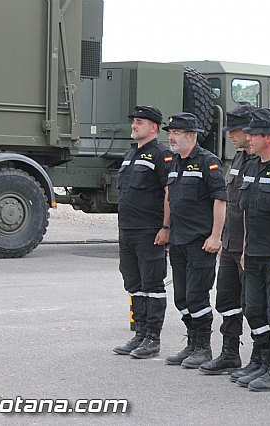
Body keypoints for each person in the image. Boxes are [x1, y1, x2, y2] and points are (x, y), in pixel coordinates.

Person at [163, 112, 227, 369]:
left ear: (192, 135)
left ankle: (203, 347)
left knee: (197, 295)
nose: (171, 137)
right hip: (178, 240)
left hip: (201, 241)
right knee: (181, 297)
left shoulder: (207, 162)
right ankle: (191, 343)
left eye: (176, 133)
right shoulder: (175, 162)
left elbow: (220, 200)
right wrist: (165, 228)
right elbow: (170, 196)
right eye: (170, 133)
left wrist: (216, 236)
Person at [235, 108, 270, 392]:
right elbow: (247, 213)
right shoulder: (251, 165)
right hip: (254, 252)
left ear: (269, 137)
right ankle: (260, 359)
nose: (248, 138)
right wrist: (245, 247)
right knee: (253, 308)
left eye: (253, 134)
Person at [199, 105, 256, 376]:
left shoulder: (261, 162)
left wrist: (245, 246)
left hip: (250, 247)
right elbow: (229, 202)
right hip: (231, 245)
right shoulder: (238, 159)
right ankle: (230, 353)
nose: (230, 136)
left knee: (255, 306)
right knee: (227, 301)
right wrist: (222, 239)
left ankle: (261, 359)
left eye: (235, 130)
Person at [113, 105, 172, 359]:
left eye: (140, 122)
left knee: (152, 284)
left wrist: (166, 227)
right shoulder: (130, 153)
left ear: (153, 127)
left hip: (150, 230)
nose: (134, 125)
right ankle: (139, 333)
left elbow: (170, 192)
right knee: (134, 283)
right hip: (127, 230)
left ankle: (152, 337)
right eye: (134, 121)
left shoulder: (161, 154)